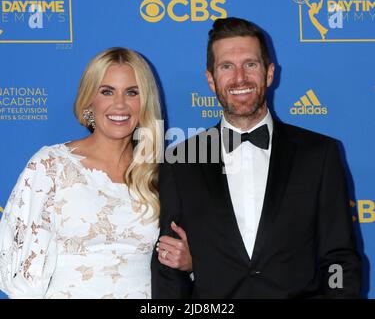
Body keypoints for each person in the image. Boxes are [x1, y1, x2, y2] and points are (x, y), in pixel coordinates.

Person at [151, 17, 362, 298]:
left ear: (270, 73)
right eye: (227, 66)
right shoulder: (180, 160)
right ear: (211, 80)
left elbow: (340, 259)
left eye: (250, 64)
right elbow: (169, 264)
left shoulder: (319, 154)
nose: (240, 77)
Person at [0, 47, 192, 299]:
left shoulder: (161, 174)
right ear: (90, 100)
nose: (120, 104)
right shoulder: (50, 165)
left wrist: (190, 263)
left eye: (132, 92)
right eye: (107, 91)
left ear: (145, 101)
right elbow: (19, 271)